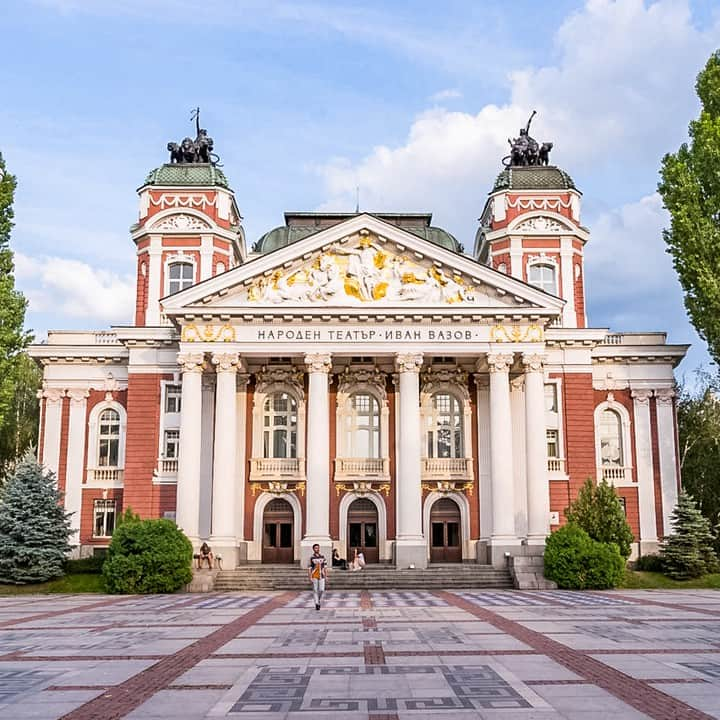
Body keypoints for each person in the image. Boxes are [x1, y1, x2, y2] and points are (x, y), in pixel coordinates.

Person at [308, 543, 328, 610]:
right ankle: (316, 603)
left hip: (321, 575)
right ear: (313, 549)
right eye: (316, 548)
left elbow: (325, 567)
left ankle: (318, 600)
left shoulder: (322, 557)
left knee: (322, 590)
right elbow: (309, 568)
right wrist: (310, 577)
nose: (317, 549)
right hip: (314, 575)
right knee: (315, 590)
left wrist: (326, 576)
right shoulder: (311, 558)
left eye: (318, 548)